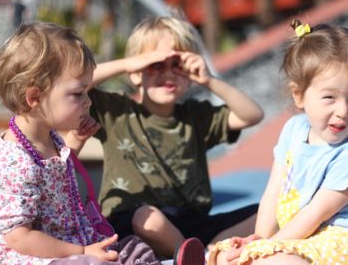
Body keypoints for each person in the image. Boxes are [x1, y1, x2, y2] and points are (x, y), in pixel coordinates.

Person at [0, 22, 204, 265]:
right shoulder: (11, 161)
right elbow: (19, 239)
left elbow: (50, 181)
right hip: (26, 256)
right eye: (78, 94)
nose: (88, 102)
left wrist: (74, 141)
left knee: (133, 249)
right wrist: (83, 251)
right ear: (34, 97)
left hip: (67, 242)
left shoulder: (49, 139)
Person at [74, 16, 264, 258]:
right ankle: (197, 256)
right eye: (156, 65)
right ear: (135, 72)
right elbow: (76, 85)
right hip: (133, 222)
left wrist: (209, 80)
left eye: (178, 65)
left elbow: (252, 115)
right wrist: (127, 63)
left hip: (193, 222)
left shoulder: (196, 116)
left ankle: (203, 253)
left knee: (267, 212)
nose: (168, 74)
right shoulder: (116, 110)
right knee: (149, 218)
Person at [207, 20, 348, 265]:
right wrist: (259, 239)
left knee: (275, 261)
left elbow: (316, 213)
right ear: (299, 96)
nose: (343, 110)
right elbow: (273, 192)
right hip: (306, 235)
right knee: (222, 252)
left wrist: (264, 248)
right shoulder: (294, 130)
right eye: (330, 97)